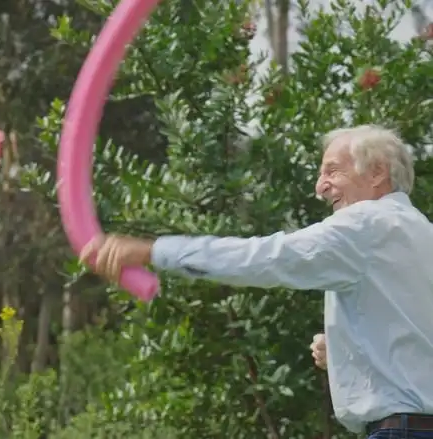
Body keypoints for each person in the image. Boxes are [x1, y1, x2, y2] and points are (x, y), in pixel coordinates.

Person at [80, 125, 433, 438]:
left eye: (332, 171)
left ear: (376, 173)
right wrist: (348, 348)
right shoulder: (420, 232)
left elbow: (265, 257)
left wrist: (153, 251)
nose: (319, 186)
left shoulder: (364, 225)